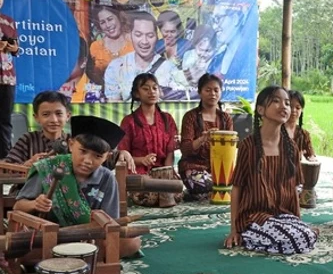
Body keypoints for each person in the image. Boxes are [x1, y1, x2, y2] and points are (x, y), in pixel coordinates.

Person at [13, 116, 141, 257]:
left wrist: (94, 228)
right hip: (49, 238)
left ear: (108, 156)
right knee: (19, 247)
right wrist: (35, 204)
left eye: (97, 156)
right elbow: (18, 207)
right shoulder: (48, 168)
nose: (87, 161)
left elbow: (111, 221)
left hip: (90, 239)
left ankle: (77, 260)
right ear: (71, 144)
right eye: (83, 151)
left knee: (132, 242)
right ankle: (82, 260)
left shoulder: (107, 178)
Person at [224, 86, 318, 254]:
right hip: (255, 217)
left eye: (287, 103)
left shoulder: (291, 148)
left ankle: (294, 232)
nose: (284, 106)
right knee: (297, 238)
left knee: (302, 235)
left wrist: (297, 221)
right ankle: (250, 236)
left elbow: (293, 189)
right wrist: (234, 230)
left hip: (282, 215)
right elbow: (237, 187)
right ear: (261, 110)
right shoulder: (249, 145)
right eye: (276, 101)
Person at [4, 91, 135, 173]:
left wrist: (123, 153)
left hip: (68, 197)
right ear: (36, 117)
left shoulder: (76, 141)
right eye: (46, 114)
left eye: (58, 113)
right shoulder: (28, 140)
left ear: (67, 116)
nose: (53, 119)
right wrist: (27, 165)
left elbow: (102, 156)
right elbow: (7, 167)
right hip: (30, 194)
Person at [119, 73, 182, 207]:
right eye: (146, 89)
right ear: (137, 94)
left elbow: (170, 152)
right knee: (149, 196)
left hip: (163, 171)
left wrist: (166, 172)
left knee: (178, 193)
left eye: (155, 88)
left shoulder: (167, 119)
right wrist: (142, 160)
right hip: (139, 173)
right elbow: (123, 155)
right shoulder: (128, 122)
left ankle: (163, 191)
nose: (151, 92)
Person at [104, 11, 186, 102]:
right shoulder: (116, 67)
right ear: (131, 35)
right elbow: (114, 106)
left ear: (157, 37)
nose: (144, 41)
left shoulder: (169, 69)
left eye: (150, 36)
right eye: (138, 35)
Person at [178, 73, 232, 200]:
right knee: (208, 184)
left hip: (218, 168)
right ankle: (203, 192)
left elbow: (229, 149)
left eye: (216, 90)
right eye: (207, 90)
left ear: (221, 92)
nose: (212, 94)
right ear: (200, 92)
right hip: (194, 167)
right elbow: (185, 149)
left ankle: (201, 194)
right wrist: (203, 139)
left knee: (240, 182)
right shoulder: (190, 116)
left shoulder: (226, 118)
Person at [87, 6, 134, 88]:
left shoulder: (133, 41)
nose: (108, 25)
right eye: (102, 22)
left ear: (119, 18)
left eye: (110, 19)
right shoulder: (95, 47)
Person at [0, 0, 19, 159]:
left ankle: (6, 158)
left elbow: (16, 49)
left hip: (7, 78)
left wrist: (14, 48)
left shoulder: (9, 21)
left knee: (5, 120)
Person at [285, 90, 316, 161]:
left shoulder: (304, 135)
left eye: (297, 108)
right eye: (290, 106)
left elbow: (311, 155)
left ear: (302, 110)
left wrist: (311, 157)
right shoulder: (275, 132)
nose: (293, 110)